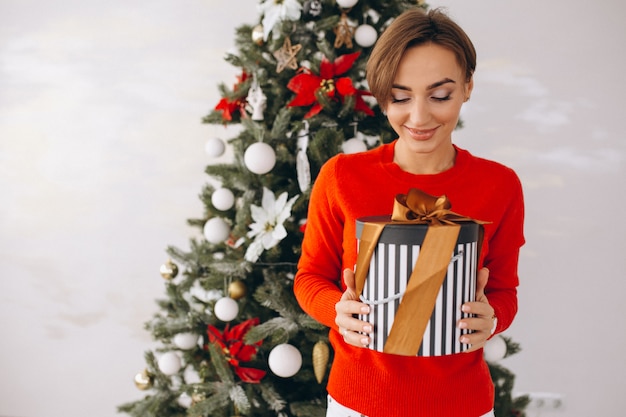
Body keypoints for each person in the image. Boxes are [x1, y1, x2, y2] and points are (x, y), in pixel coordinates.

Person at [293, 7, 525, 417]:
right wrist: (337, 311)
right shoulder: (342, 177)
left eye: (440, 95)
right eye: (400, 97)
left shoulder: (500, 185)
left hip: (462, 405)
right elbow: (310, 278)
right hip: (358, 403)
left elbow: (503, 291)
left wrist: (493, 317)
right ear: (382, 94)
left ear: (468, 87)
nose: (419, 117)